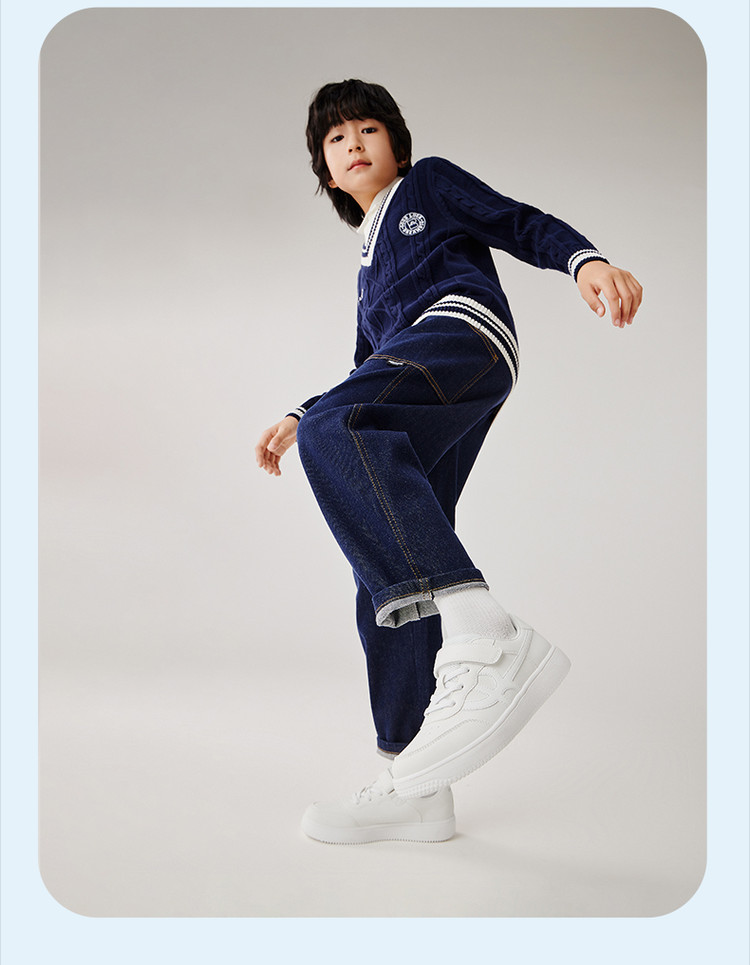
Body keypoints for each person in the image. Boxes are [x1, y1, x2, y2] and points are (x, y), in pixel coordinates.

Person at [255, 79, 642, 845]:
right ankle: (415, 781)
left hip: (464, 335)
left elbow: (516, 220)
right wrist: (305, 412)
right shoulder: (367, 268)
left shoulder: (428, 183)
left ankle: (488, 635)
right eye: (336, 138)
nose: (354, 142)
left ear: (397, 144)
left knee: (342, 435)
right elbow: (368, 366)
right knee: (385, 576)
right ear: (325, 170)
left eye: (368, 128)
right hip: (422, 367)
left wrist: (583, 260)